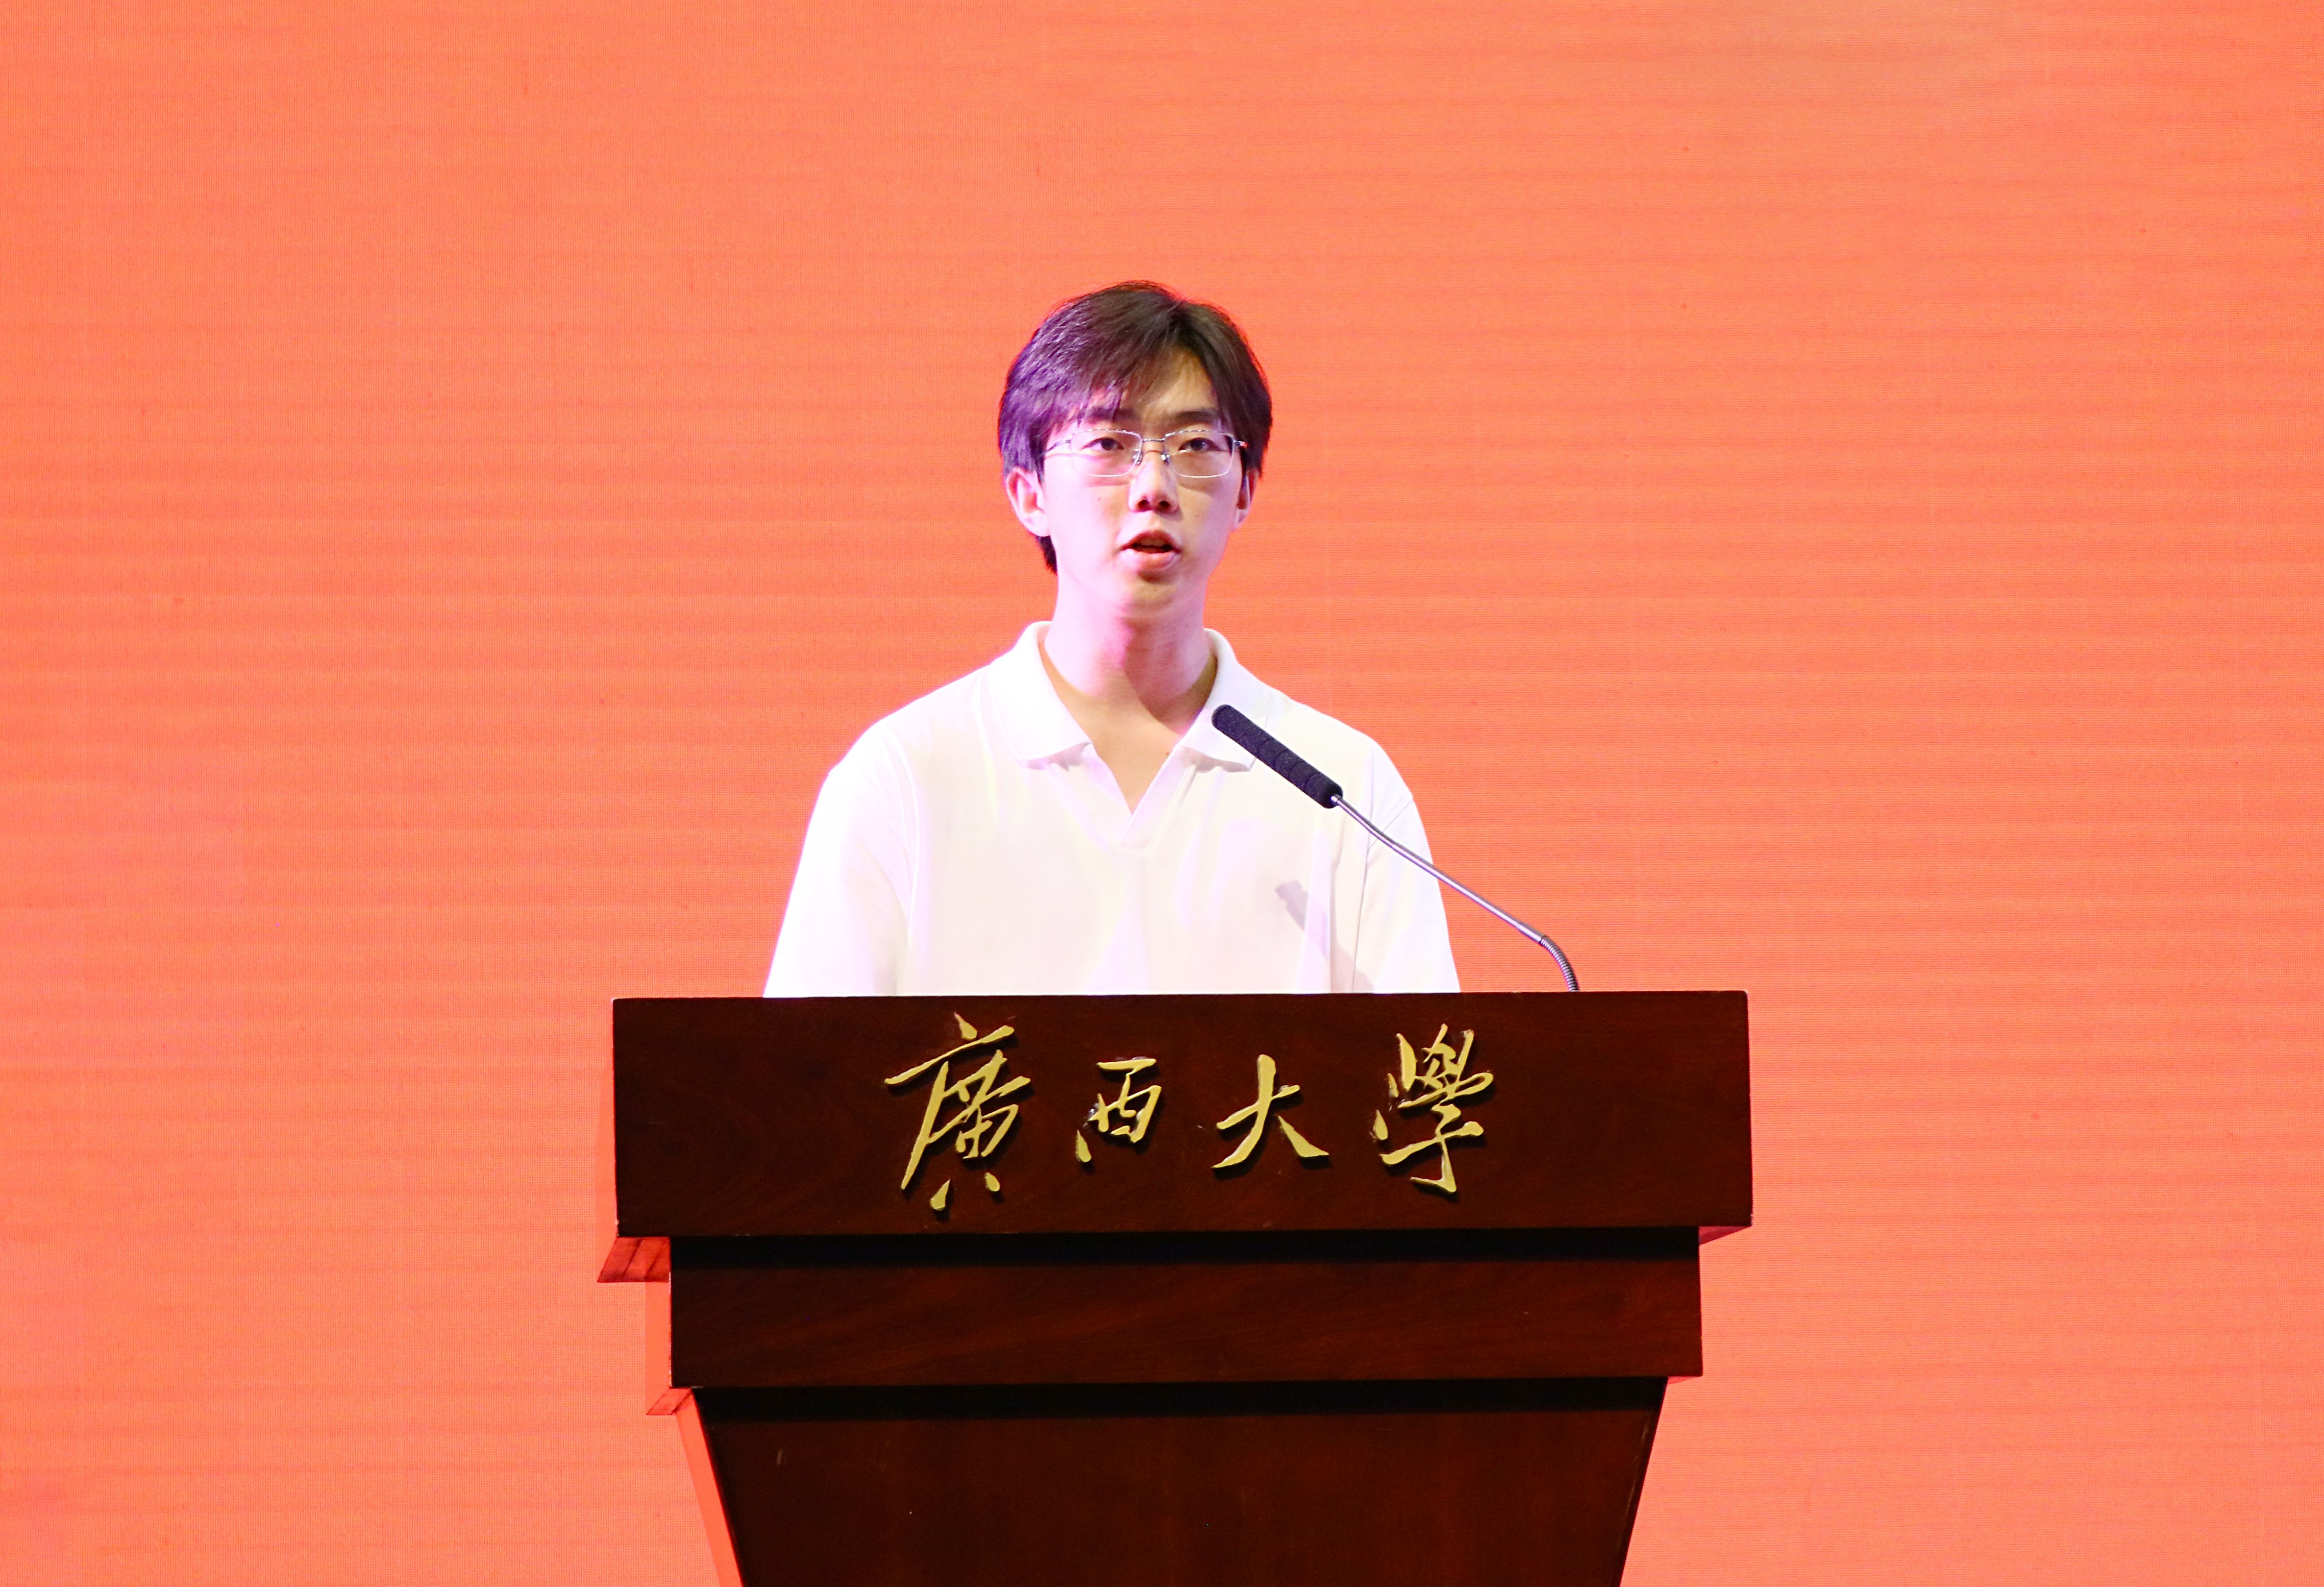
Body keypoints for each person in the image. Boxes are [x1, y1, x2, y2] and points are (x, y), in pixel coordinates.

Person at [765, 282, 1457, 996]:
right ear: (1030, 494)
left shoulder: (1343, 788)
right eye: (1108, 444)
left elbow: (1425, 1063)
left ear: (1245, 491)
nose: (1153, 486)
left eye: (1194, 445)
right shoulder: (905, 776)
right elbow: (806, 1062)